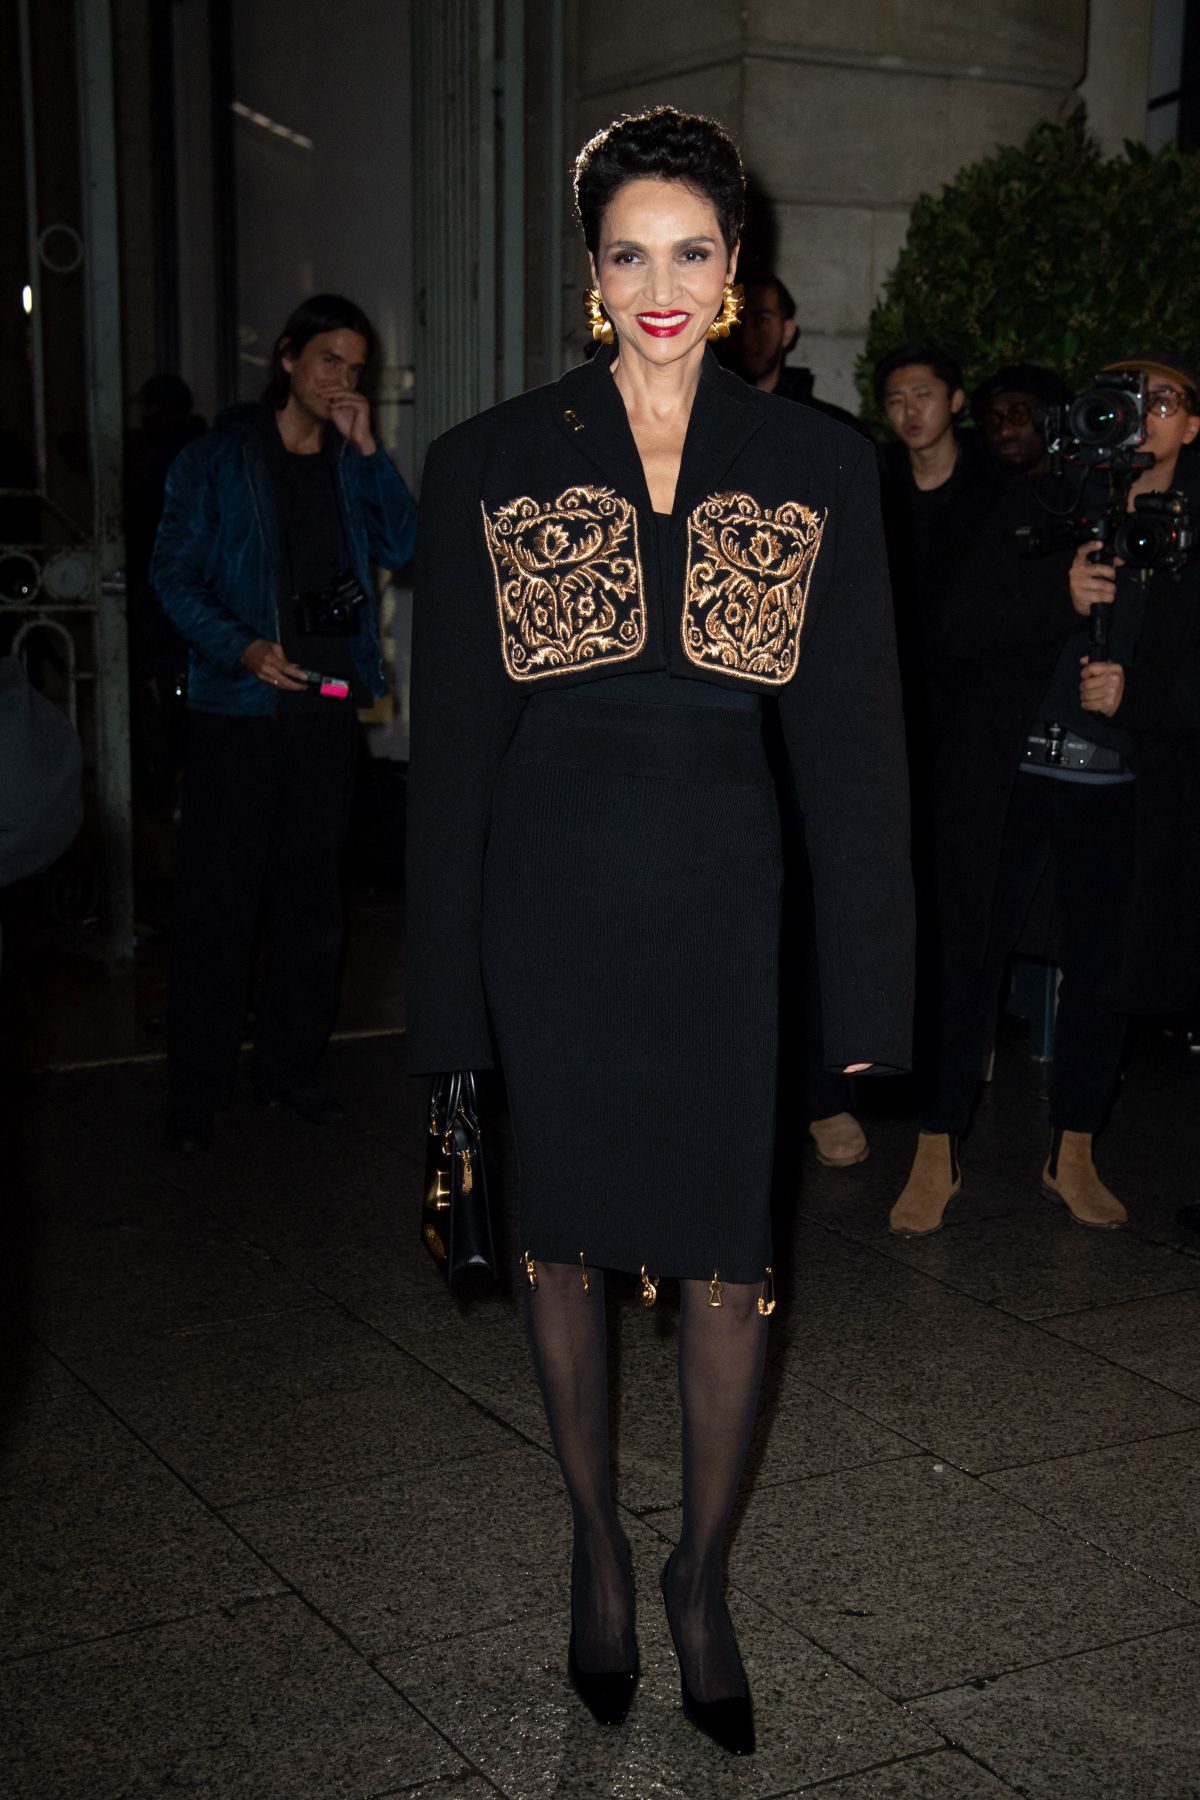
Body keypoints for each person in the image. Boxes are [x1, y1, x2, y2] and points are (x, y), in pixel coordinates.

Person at [406, 107, 913, 1753]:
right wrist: (447, 1018)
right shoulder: (486, 461)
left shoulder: (821, 467)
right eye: (631, 254)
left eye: (693, 251)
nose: (663, 283)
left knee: (726, 1265)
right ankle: (594, 1551)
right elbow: (454, 768)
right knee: (559, 1248)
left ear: (739, 269)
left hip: (724, 917)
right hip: (545, 913)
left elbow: (854, 752)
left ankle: (699, 1575)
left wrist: (869, 987)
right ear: (590, 280)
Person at [891, 354, 1200, 1237]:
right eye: (1124, 399)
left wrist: (1136, 702)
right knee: (968, 962)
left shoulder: (1192, 528)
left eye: (1164, 401)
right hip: (1013, 775)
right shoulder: (1044, 500)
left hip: (1122, 788)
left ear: (1191, 427)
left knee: (1103, 975)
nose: (1141, 415)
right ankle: (935, 1145)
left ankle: (1073, 1151)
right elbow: (956, 624)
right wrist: (1056, 597)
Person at [152, 294, 417, 1151]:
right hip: (239, 711)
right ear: (289, 358)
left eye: (356, 368)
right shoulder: (217, 459)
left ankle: (290, 1072)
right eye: (331, 361)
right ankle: (196, 1091)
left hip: (325, 712)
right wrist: (243, 649)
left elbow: (408, 546)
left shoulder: (349, 461)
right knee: (220, 906)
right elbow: (172, 576)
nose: (344, 379)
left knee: (312, 903)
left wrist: (372, 451)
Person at [735, 274, 870, 1167]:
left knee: (810, 908)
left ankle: (823, 1096)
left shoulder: (832, 444)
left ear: (789, 331)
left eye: (764, 315)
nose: (747, 328)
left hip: (799, 713)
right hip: (712, 719)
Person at [737, 268, 868, 433]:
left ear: (787, 332)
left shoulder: (829, 428)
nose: (747, 334)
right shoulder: (705, 414)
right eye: (738, 321)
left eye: (762, 320)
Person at [970, 363, 1073, 479]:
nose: (1005, 431)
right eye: (991, 420)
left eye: (1018, 414)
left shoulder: (1086, 484)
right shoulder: (979, 492)